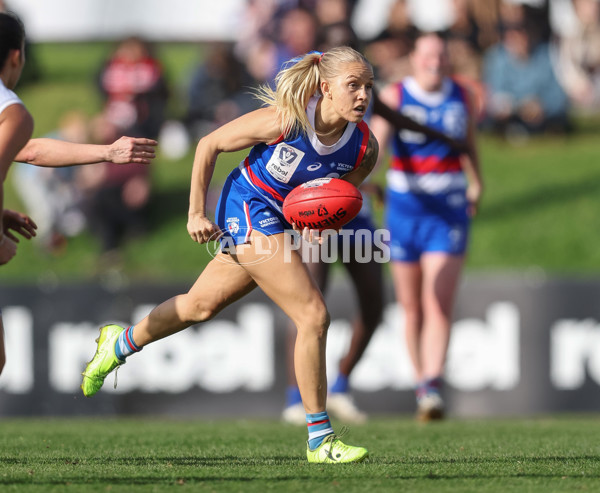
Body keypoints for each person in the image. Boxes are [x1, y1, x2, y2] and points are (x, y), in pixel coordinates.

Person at [80, 46, 377, 464]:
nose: (363, 94)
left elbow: (340, 201)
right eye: (353, 86)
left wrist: (319, 225)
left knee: (199, 307)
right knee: (312, 315)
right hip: (246, 207)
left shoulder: (363, 148)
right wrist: (196, 212)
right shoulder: (286, 121)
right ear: (325, 87)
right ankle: (320, 439)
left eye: (368, 86)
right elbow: (208, 144)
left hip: (280, 222)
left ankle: (120, 341)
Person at [0, 12, 157, 376]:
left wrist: (107, 152)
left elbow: (29, 151)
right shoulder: (11, 110)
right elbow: (29, 150)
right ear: (16, 57)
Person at [370, 31, 483, 421]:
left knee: (438, 301)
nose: (435, 61)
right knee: (411, 305)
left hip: (448, 208)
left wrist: (476, 181)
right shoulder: (395, 96)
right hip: (403, 209)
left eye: (441, 54)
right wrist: (367, 176)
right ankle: (421, 384)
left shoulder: (462, 95)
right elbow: (379, 145)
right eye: (428, 54)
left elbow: (467, 143)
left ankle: (432, 385)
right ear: (415, 58)